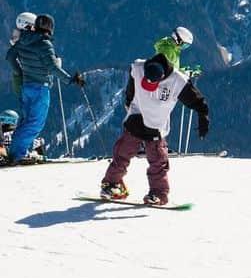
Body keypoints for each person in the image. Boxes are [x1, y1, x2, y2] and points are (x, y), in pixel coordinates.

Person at [99, 52, 210, 205]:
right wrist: (129, 102)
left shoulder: (177, 80)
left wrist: (203, 114)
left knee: (158, 161)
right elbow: (131, 86)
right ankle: (111, 185)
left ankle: (158, 194)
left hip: (156, 127)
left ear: (163, 76)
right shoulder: (138, 68)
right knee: (122, 153)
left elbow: (195, 98)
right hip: (135, 119)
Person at [4, 14, 84, 164]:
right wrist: (70, 79)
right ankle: (17, 155)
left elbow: (10, 56)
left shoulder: (22, 40)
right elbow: (52, 67)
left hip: (26, 86)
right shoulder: (44, 44)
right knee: (35, 123)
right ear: (49, 28)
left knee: (27, 120)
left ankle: (19, 151)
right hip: (40, 87)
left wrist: (20, 71)